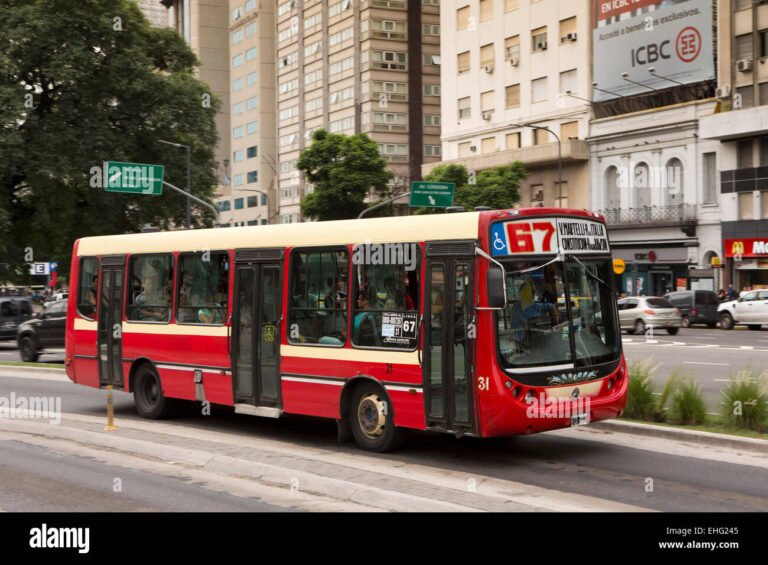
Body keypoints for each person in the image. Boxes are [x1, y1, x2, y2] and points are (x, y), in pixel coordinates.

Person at [510, 282, 558, 350]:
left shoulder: (531, 304)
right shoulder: (518, 306)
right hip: (523, 342)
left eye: (534, 291)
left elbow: (544, 306)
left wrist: (553, 308)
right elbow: (533, 323)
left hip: (532, 338)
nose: (534, 293)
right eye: (532, 291)